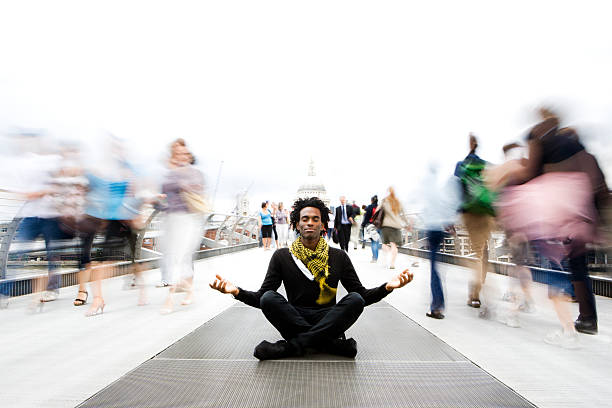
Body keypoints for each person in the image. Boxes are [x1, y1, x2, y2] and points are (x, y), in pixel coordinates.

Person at [210, 197, 413, 360]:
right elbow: (262, 298)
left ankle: (293, 346)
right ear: (296, 224)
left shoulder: (338, 256)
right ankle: (330, 344)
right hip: (295, 319)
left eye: (315, 219)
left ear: (323, 224)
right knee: (270, 298)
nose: (310, 223)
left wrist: (387, 287)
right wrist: (236, 292)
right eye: (305, 219)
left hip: (329, 317)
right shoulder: (282, 256)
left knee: (355, 300)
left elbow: (361, 294)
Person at [501, 108, 609, 339]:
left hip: (559, 217)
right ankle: (586, 318)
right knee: (578, 266)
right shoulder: (584, 154)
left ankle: (571, 325)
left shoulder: (544, 144)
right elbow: (601, 188)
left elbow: (531, 175)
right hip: (583, 215)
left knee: (557, 265)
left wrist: (511, 175)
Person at [159, 142, 205, 314]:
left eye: (184, 153)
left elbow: (198, 191)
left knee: (178, 258)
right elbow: (164, 193)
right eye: (177, 153)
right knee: (177, 257)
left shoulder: (195, 174)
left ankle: (169, 299)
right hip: (171, 219)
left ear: (188, 156)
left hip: (189, 219)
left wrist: (184, 184)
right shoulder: (170, 173)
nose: (181, 156)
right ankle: (189, 290)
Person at [455, 134, 495, 309]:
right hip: (487, 213)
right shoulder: (486, 165)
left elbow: (457, 190)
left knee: (476, 254)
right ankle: (482, 283)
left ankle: (475, 294)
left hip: (470, 212)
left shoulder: (461, 166)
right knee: (484, 250)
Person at [420, 163, 462, 319]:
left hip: (432, 229)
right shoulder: (450, 185)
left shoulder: (429, 185)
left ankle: (437, 306)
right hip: (441, 230)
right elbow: (452, 207)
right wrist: (450, 224)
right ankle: (437, 304)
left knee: (433, 268)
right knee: (436, 266)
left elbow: (423, 205)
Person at [380, 187, 411, 269]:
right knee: (394, 245)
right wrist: (407, 224)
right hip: (396, 226)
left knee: (384, 243)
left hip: (385, 225)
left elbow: (377, 211)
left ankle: (385, 260)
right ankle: (392, 264)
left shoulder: (384, 201)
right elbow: (403, 214)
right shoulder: (398, 202)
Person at [362, 195, 380, 263]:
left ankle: (374, 258)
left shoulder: (369, 207)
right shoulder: (379, 207)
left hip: (371, 226)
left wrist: (363, 224)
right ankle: (376, 256)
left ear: (372, 200)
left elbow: (366, 217)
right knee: (377, 241)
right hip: (379, 226)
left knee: (374, 242)